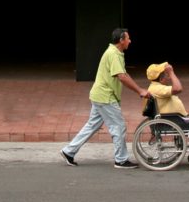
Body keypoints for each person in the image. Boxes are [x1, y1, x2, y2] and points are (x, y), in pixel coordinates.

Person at [60, 28, 149, 169]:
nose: (130, 41)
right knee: (118, 126)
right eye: (128, 38)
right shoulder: (113, 54)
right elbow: (122, 76)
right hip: (105, 97)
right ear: (121, 40)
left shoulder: (115, 53)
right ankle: (121, 160)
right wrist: (140, 90)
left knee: (92, 126)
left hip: (99, 95)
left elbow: (123, 74)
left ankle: (69, 151)